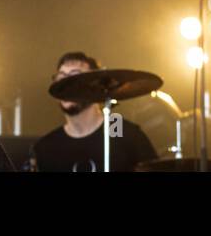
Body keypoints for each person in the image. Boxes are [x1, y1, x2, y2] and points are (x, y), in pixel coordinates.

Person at [30, 52, 158, 172]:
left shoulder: (122, 131)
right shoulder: (46, 147)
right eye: (61, 77)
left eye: (75, 76)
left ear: (97, 86)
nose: (66, 85)